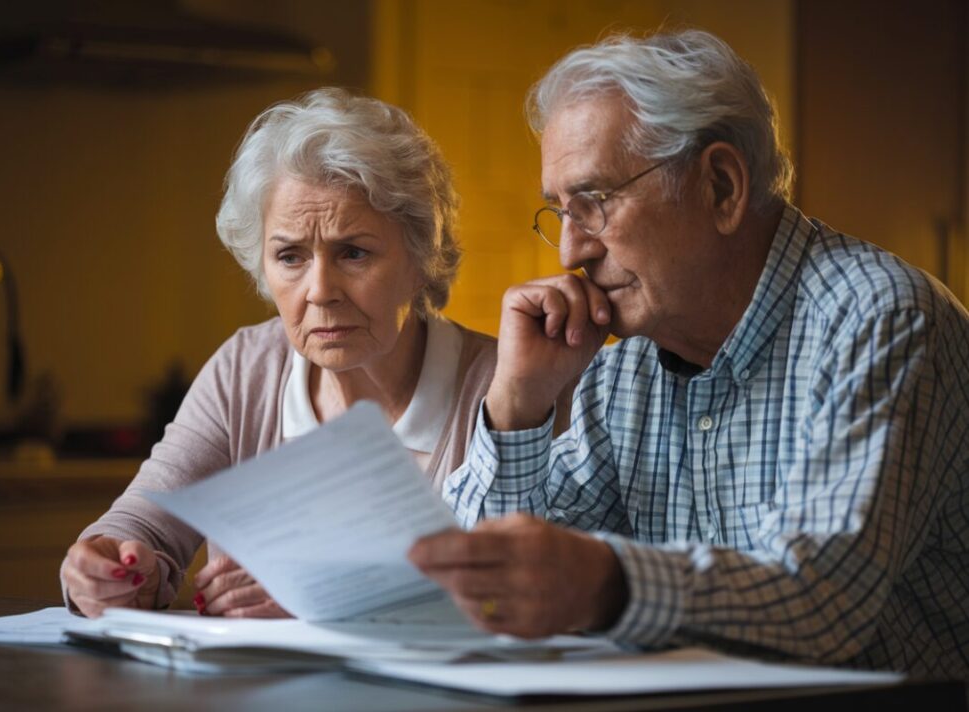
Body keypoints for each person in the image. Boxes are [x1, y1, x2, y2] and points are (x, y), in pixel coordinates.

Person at [408, 30, 969, 678]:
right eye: (560, 212)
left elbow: (824, 601)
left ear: (721, 188)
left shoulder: (881, 320)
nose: (569, 253)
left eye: (595, 204)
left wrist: (605, 582)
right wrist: (516, 406)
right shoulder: (623, 367)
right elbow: (479, 594)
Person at [62, 88, 497, 619]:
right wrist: (108, 566)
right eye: (290, 255)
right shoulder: (247, 369)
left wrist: (330, 597)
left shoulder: (502, 387)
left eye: (354, 252)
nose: (319, 290)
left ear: (421, 255)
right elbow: (145, 521)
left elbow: (525, 596)